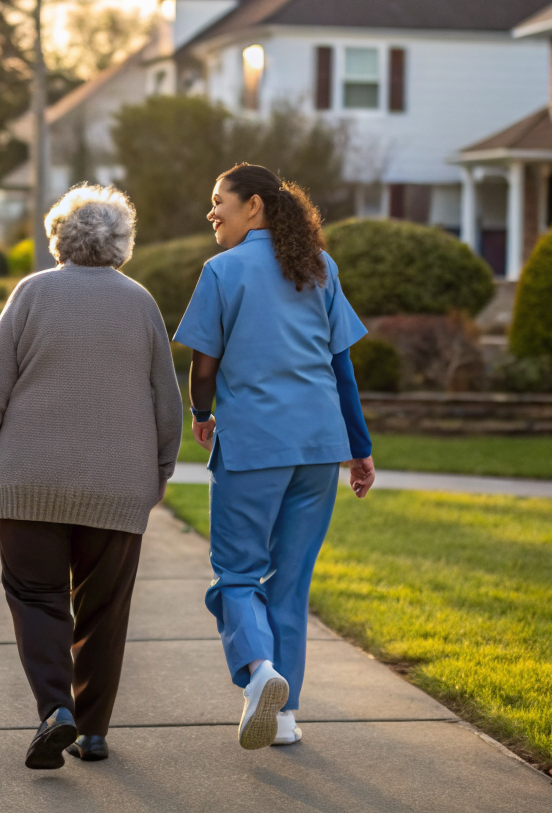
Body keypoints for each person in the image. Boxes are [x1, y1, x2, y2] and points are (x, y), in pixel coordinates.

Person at [0, 184, 184, 770]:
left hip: (28, 477)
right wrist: (160, 470)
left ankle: (53, 710)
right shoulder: (140, 302)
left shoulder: (31, 294)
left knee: (36, 598)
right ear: (122, 243)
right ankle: (91, 732)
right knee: (104, 608)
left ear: (58, 238)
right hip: (117, 485)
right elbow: (166, 401)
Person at [174, 162, 375, 751]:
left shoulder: (221, 271)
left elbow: (202, 365)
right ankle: (285, 719)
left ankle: (260, 672)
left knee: (236, 575)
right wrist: (359, 450)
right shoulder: (319, 265)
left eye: (220, 202)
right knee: (290, 583)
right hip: (320, 447)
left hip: (255, 445)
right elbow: (342, 367)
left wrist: (202, 414)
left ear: (255, 205)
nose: (212, 213)